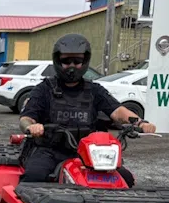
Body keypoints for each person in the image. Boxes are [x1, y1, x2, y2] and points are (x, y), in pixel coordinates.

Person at [18, 33, 157, 187]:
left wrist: (140, 122)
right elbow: (26, 118)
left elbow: (117, 111)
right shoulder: (44, 89)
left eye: (77, 61)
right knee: (33, 176)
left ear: (85, 61)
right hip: (50, 150)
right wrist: (31, 126)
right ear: (58, 61)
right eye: (66, 61)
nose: (72, 66)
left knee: (126, 180)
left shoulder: (94, 90)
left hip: (89, 152)